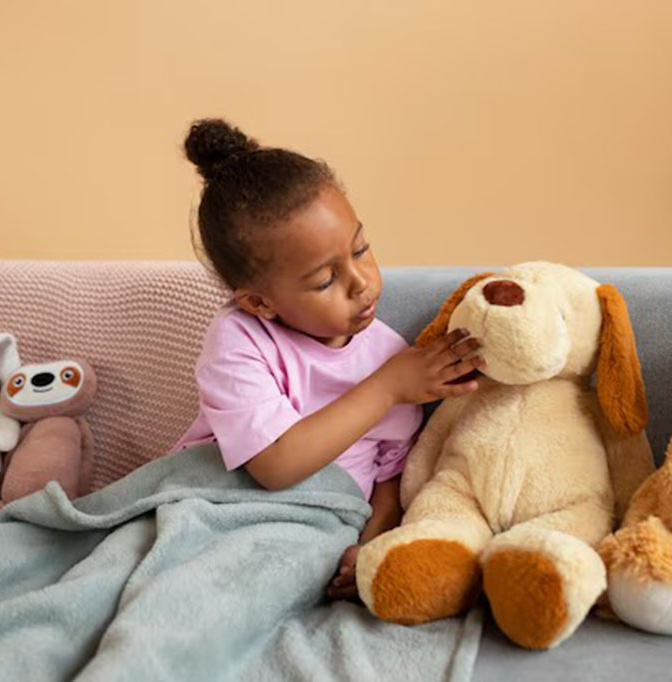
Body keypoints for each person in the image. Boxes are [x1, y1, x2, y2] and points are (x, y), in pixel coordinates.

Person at [171, 119, 484, 600]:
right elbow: (274, 465)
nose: (361, 281)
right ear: (259, 303)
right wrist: (385, 389)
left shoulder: (391, 356)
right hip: (216, 504)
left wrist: (372, 541)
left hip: (322, 525)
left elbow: (390, 475)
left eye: (360, 249)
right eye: (323, 280)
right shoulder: (239, 340)